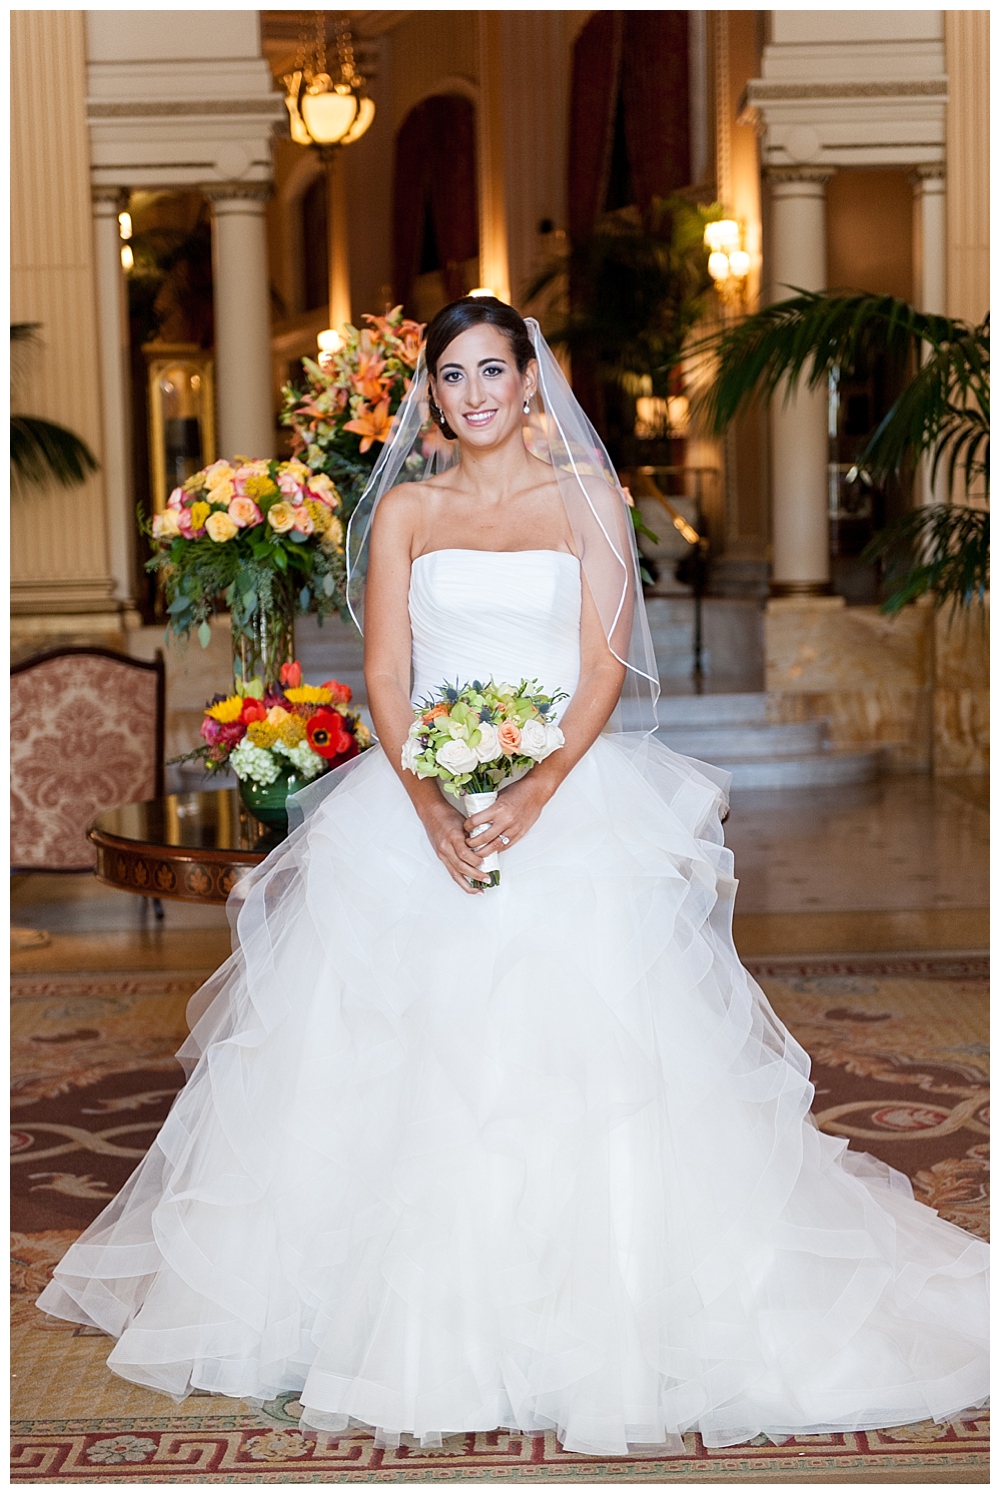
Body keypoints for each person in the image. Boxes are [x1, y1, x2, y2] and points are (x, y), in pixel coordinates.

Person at [38, 298, 988, 1457]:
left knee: (594, 1049)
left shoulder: (589, 498)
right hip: (418, 799)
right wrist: (430, 800)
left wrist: (536, 788)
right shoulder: (406, 510)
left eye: (496, 368)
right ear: (430, 394)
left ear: (532, 382)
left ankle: (606, 1309)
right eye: (453, 373)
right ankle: (374, 1311)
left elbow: (602, 664)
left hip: (567, 794)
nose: (476, 390)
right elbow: (386, 673)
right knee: (381, 1046)